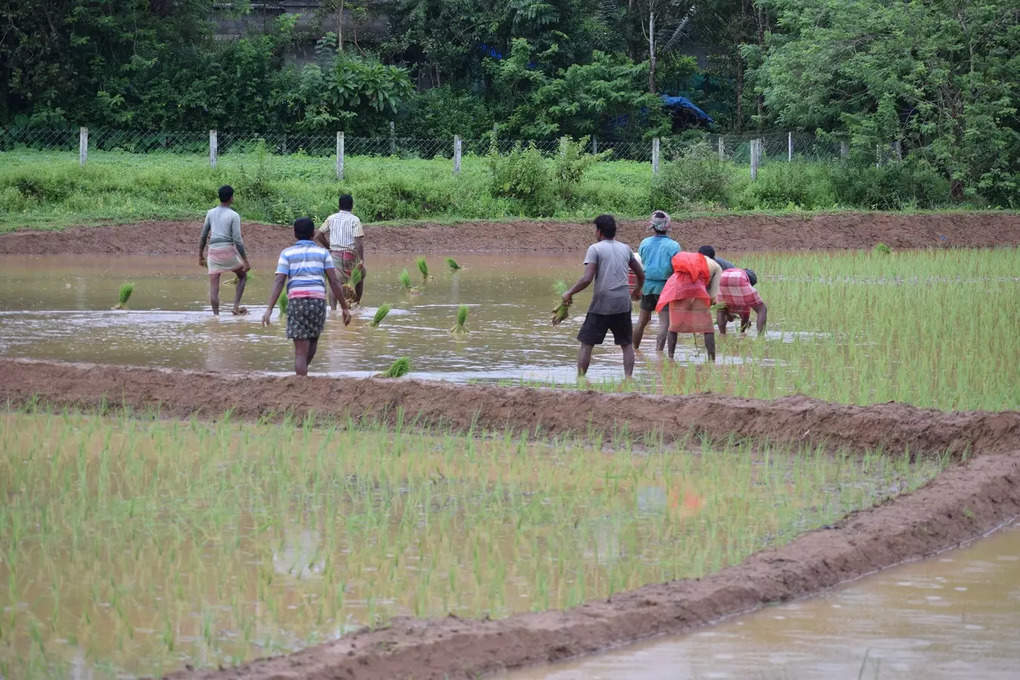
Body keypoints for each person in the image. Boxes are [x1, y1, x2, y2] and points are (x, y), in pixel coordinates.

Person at [262, 217, 352, 376]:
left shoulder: (287, 253)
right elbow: (334, 281)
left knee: (300, 353)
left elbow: (279, 281)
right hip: (317, 303)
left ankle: (300, 379)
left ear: (295, 234)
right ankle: (302, 375)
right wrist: (344, 307)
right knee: (312, 342)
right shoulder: (323, 253)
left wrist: (269, 309)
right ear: (313, 233)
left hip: (297, 303)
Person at [561, 214, 644, 378]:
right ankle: (628, 379)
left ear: (599, 231)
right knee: (626, 344)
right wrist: (637, 290)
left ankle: (581, 380)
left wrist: (569, 292)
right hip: (623, 302)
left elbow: (587, 279)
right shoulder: (625, 248)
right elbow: (641, 274)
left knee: (587, 344)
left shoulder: (595, 249)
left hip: (602, 303)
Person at [655, 251, 723, 361]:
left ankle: (671, 357)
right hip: (698, 290)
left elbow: (669, 288)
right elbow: (713, 296)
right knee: (707, 328)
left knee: (673, 326)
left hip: (678, 289)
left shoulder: (679, 272)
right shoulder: (714, 268)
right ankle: (712, 359)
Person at [199, 185, 251, 316]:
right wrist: (245, 261)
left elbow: (203, 235)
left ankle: (216, 316)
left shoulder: (210, 213)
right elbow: (238, 240)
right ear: (231, 198)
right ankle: (235, 306)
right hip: (227, 250)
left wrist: (200, 255)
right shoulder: (234, 215)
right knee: (242, 276)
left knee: (214, 288)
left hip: (213, 252)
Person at [633, 210, 681, 352]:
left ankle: (634, 349)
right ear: (667, 227)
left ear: (652, 227)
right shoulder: (674, 246)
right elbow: (677, 267)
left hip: (647, 286)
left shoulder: (644, 243)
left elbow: (642, 261)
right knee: (664, 323)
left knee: (642, 321)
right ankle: (659, 353)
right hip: (665, 288)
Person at [315, 194, 365, 308]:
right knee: (360, 277)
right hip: (350, 255)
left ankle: (333, 310)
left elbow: (318, 235)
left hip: (335, 255)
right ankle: (356, 304)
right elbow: (358, 242)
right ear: (352, 206)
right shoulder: (355, 220)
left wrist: (328, 246)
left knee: (334, 283)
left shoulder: (331, 218)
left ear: (339, 205)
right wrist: (361, 259)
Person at [717, 268, 767, 336]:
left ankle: (722, 334)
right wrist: (742, 330)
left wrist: (731, 316)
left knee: (721, 309)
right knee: (762, 308)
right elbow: (745, 314)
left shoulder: (735, 271)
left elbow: (729, 316)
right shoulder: (746, 278)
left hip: (720, 278)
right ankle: (760, 337)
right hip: (739, 279)